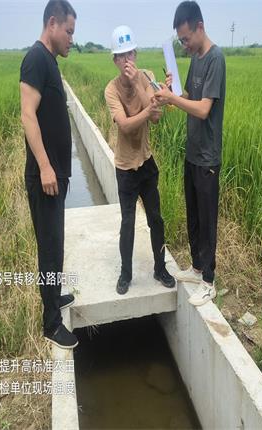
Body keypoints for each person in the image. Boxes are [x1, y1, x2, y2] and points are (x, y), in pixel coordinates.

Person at [154, 1, 226, 306]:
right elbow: (189, 97)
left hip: (208, 156)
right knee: (194, 214)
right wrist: (171, 92)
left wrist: (173, 99)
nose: (184, 45)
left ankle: (208, 281)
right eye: (180, 41)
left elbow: (203, 108)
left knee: (207, 219)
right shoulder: (196, 58)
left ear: (200, 27)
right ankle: (196, 268)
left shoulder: (215, 59)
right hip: (193, 151)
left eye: (186, 39)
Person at [19, 0, 78, 349]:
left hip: (56, 176)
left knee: (56, 243)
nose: (71, 38)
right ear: (52, 23)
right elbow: (28, 115)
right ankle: (51, 324)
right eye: (68, 31)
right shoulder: (36, 59)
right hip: (45, 178)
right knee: (50, 247)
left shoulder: (50, 61)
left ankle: (54, 297)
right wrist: (44, 166)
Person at [104, 25, 176, 295]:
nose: (127, 61)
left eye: (130, 54)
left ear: (136, 54)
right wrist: (149, 107)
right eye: (121, 56)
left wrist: (140, 84)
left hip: (146, 161)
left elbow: (156, 118)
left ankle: (160, 268)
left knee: (156, 218)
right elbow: (124, 125)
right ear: (115, 60)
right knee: (127, 223)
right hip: (125, 167)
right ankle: (125, 274)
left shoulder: (147, 77)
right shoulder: (111, 90)